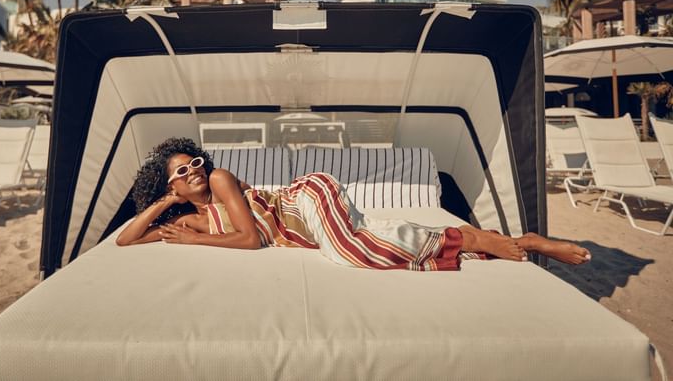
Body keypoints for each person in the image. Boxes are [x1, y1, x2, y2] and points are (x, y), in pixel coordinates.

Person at [117, 138, 591, 270]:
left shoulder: (221, 180)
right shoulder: (190, 220)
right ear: (171, 187)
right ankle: (516, 241)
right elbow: (126, 241)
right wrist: (161, 205)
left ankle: (482, 239)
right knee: (382, 237)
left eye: (194, 162)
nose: (194, 171)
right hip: (310, 231)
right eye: (181, 172)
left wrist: (192, 241)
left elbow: (250, 239)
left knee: (351, 252)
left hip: (306, 199)